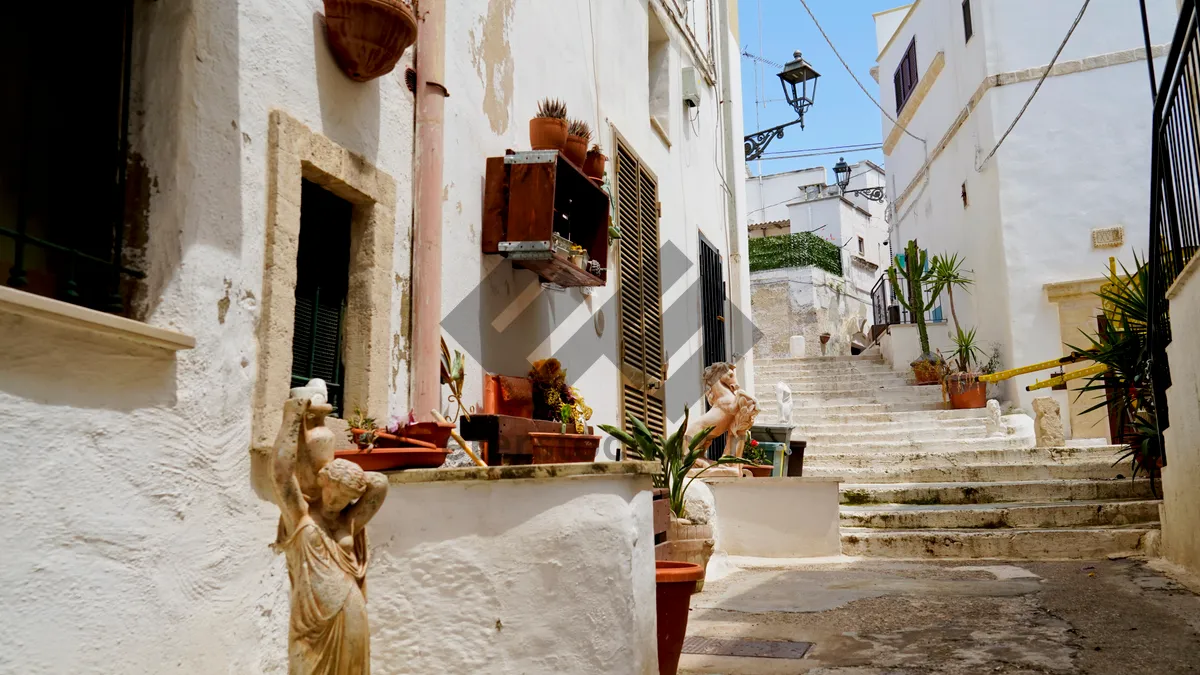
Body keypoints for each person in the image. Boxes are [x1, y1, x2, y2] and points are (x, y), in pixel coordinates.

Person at [271, 398, 388, 675]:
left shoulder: (350, 522)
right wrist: (292, 416)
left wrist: (347, 475)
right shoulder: (301, 516)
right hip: (309, 620)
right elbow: (281, 476)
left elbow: (380, 485)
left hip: (350, 610)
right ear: (324, 481)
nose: (337, 500)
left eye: (346, 497)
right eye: (335, 490)